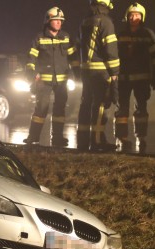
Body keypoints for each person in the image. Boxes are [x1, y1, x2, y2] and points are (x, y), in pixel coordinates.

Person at [23, 7, 80, 146]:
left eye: (60, 20)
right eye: (56, 20)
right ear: (48, 21)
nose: (59, 23)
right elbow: (31, 58)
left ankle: (58, 137)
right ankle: (33, 137)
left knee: (60, 109)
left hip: (62, 81)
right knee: (41, 108)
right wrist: (31, 75)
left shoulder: (66, 37)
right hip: (44, 81)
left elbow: (74, 57)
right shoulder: (39, 38)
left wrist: (78, 73)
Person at [113, 2, 155, 153]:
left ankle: (141, 136)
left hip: (142, 79)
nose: (134, 18)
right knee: (122, 109)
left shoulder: (148, 35)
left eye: (137, 15)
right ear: (127, 18)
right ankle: (121, 137)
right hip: (123, 78)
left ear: (142, 17)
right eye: (132, 15)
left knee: (141, 109)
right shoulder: (120, 35)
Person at [77, 0, 121, 152]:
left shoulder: (85, 21)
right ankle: (97, 141)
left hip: (86, 71)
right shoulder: (106, 22)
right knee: (101, 105)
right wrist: (115, 73)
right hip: (101, 72)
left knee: (86, 103)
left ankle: (82, 140)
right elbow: (110, 49)